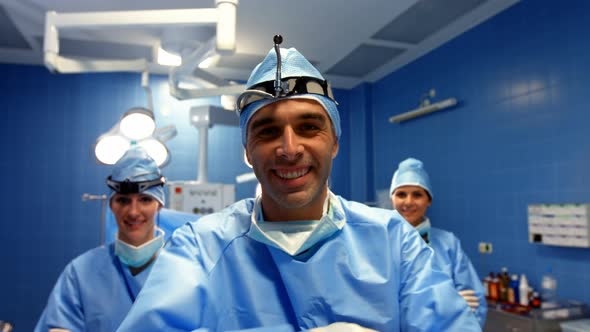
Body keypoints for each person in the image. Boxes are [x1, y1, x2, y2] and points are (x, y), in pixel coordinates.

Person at [117, 36, 481, 331]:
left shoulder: (392, 240)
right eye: (268, 131)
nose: (289, 149)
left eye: (309, 127)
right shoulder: (201, 247)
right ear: (247, 151)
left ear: (335, 142)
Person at [35, 147, 168, 332]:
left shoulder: (183, 270)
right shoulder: (81, 274)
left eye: (145, 199)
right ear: (111, 205)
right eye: (123, 200)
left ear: (159, 205)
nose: (133, 212)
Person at [390, 157, 487, 327]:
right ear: (392, 199)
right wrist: (448, 304)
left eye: (417, 194)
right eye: (401, 194)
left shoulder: (448, 243)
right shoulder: (381, 242)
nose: (408, 202)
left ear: (429, 200)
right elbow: (380, 304)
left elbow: (474, 303)